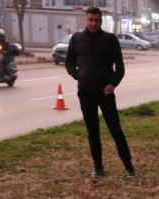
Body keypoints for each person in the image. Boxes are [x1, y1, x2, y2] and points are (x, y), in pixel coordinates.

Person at [66, 7, 136, 179]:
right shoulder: (76, 39)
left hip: (105, 93)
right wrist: (77, 74)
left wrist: (113, 83)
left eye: (97, 20)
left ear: (101, 20)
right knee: (92, 131)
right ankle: (98, 166)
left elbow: (120, 68)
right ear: (85, 19)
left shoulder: (110, 40)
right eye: (90, 20)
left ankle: (129, 166)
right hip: (85, 92)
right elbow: (68, 62)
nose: (94, 23)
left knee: (115, 130)